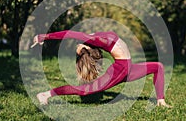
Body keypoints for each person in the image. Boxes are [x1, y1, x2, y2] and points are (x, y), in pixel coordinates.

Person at [33, 30, 171, 107]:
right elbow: (70, 34)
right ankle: (46, 94)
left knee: (158, 67)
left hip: (128, 68)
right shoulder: (92, 39)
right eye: (79, 50)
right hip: (120, 69)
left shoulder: (93, 37)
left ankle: (160, 100)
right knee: (85, 91)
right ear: (87, 48)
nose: (77, 47)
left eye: (78, 48)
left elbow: (71, 35)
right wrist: (44, 37)